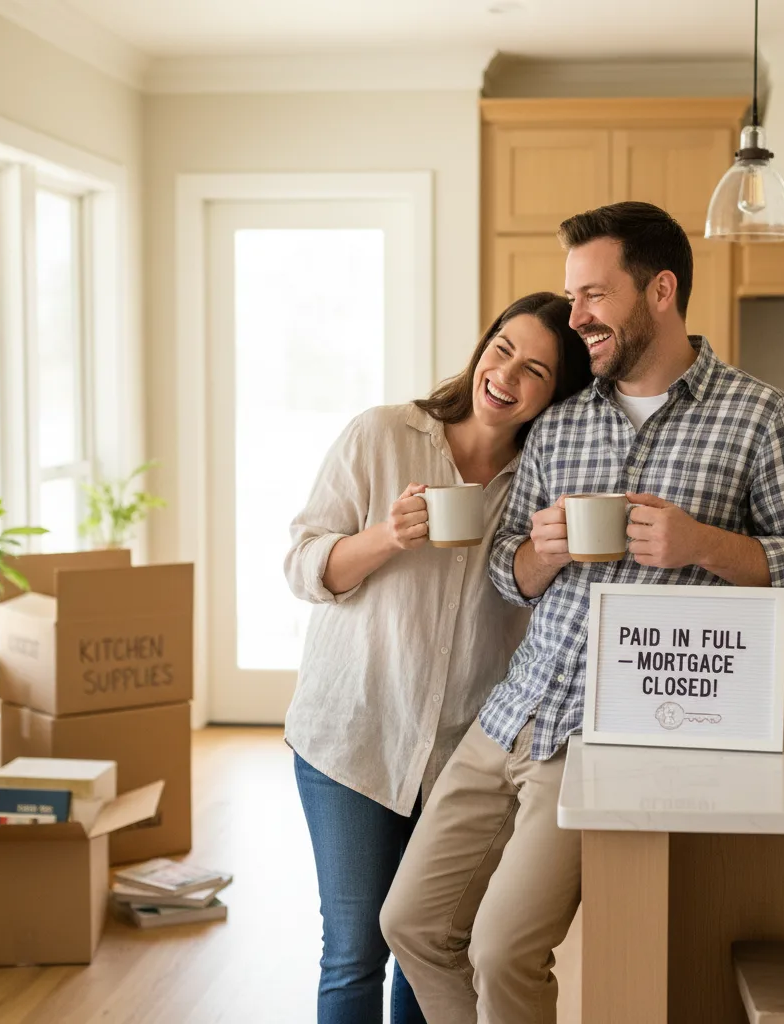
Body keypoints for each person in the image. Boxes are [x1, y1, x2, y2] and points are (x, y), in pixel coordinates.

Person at [382, 201, 784, 1024]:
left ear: (660, 290)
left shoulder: (761, 416)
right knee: (409, 922)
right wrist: (544, 554)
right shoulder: (559, 423)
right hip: (513, 712)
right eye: (572, 297)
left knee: (501, 949)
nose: (576, 318)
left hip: (618, 730)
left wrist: (704, 544)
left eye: (593, 295)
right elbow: (505, 572)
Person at [283, 291, 593, 1024]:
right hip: (351, 739)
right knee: (354, 951)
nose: (506, 375)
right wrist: (388, 536)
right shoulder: (382, 435)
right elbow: (303, 567)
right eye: (502, 348)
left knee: (430, 943)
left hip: (463, 749)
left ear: (559, 394)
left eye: (537, 371)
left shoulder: (546, 480)